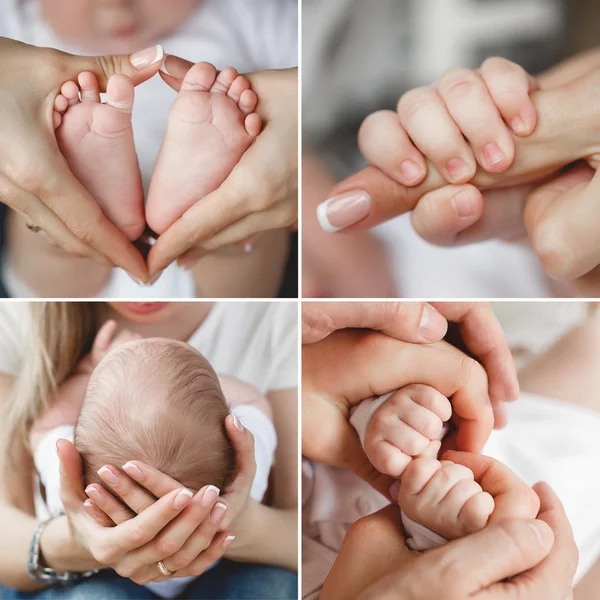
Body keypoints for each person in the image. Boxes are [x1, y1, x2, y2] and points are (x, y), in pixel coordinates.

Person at [0, 0, 298, 298]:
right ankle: (82, 187)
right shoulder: (15, 24)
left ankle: (211, 195)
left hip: (211, 246)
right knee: (50, 218)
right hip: (77, 245)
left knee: (242, 221)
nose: (117, 9)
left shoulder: (246, 13)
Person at [0, 301, 298, 599]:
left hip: (99, 575)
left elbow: (43, 425)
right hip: (223, 564)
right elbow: (255, 403)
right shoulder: (245, 479)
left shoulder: (69, 488)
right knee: (273, 588)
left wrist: (88, 374)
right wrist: (207, 389)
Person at [301, 301, 600, 597]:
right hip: (555, 524)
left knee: (588, 347)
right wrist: (433, 531)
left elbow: (349, 409)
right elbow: (444, 571)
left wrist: (380, 417)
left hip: (525, 438)